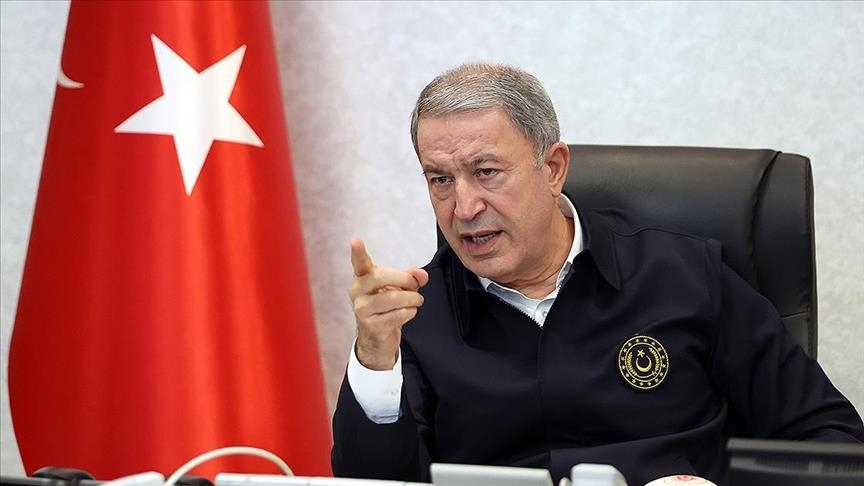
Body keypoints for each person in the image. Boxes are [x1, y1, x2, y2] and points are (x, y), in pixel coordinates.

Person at [330, 63, 864, 485]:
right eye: (440, 179)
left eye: (486, 172)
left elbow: (831, 442)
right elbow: (370, 484)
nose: (464, 207)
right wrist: (375, 361)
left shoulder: (683, 274)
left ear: (553, 168)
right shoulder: (415, 318)